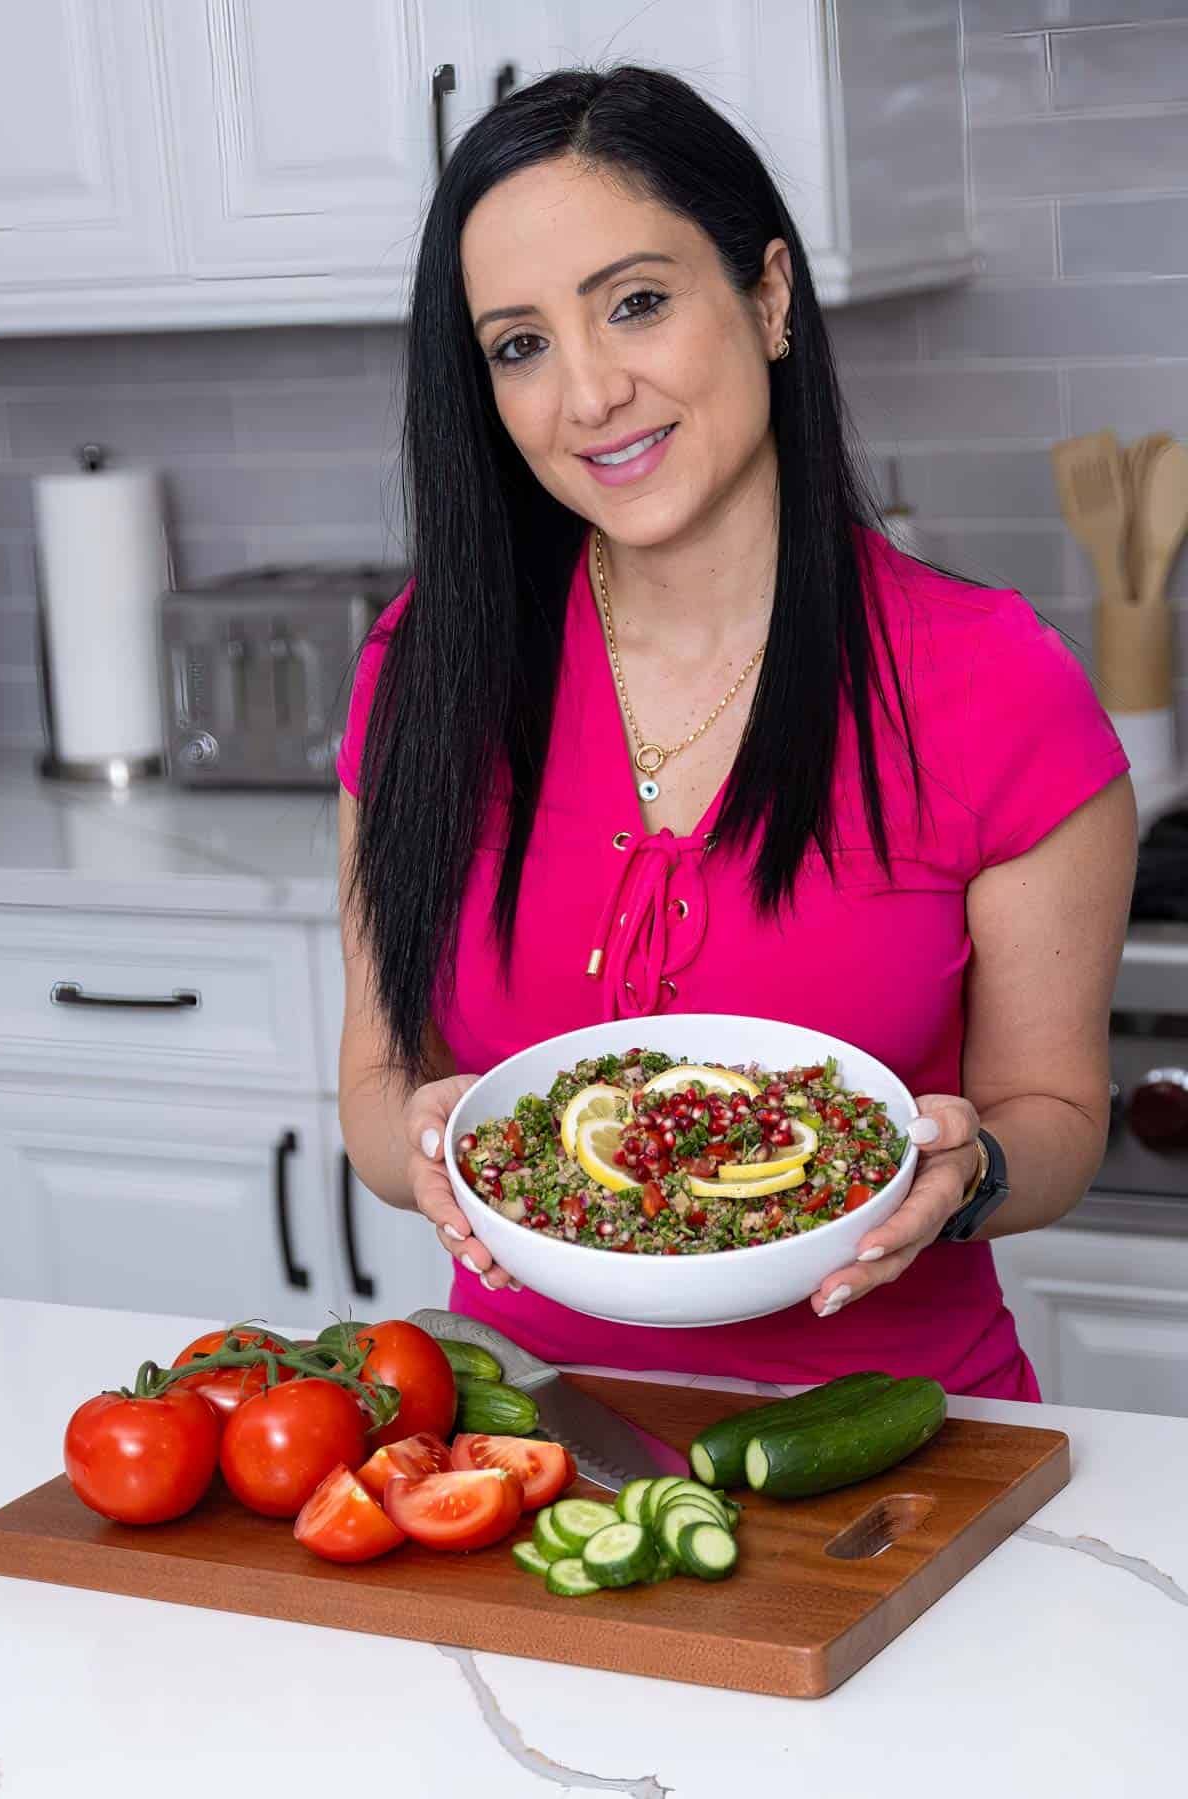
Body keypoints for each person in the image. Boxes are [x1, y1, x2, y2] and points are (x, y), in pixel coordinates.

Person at [335, 65, 1136, 1399]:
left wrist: (968, 1170)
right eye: (519, 345)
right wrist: (419, 1141)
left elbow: (1055, 1116)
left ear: (767, 298)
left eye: (636, 303)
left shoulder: (993, 683)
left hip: (896, 1449)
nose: (589, 394)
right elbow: (377, 1083)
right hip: (520, 1445)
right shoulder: (426, 668)